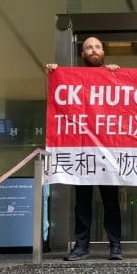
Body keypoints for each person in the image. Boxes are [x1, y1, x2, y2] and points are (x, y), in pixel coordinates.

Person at [45, 37, 123, 261]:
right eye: (89, 47)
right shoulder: (71, 79)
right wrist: (54, 73)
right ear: (83, 54)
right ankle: (81, 247)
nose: (93, 50)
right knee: (82, 203)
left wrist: (115, 74)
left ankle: (115, 247)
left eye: (98, 46)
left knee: (111, 202)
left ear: (104, 51)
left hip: (107, 152)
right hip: (82, 152)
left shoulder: (112, 76)